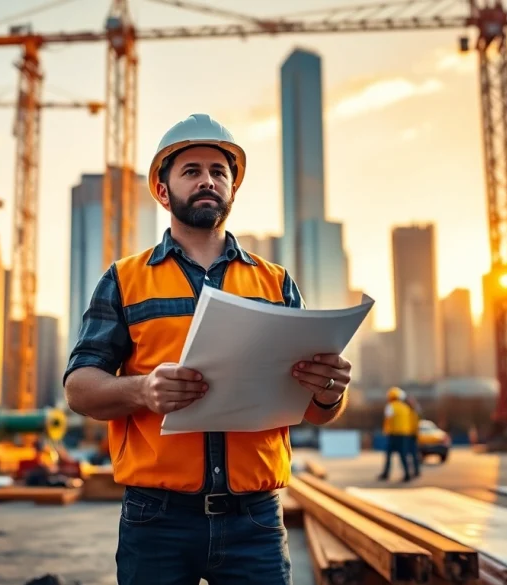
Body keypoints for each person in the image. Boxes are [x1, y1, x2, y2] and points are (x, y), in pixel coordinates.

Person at [63, 113, 353, 585]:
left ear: (233, 190)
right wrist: (143, 391)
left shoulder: (276, 283)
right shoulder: (124, 279)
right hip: (156, 520)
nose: (208, 181)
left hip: (254, 521)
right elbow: (79, 389)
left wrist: (329, 393)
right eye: (192, 171)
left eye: (219, 172)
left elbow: (317, 414)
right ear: (163, 191)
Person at [378, 387, 414, 482]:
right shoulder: (406, 407)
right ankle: (407, 474)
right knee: (403, 455)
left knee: (389, 455)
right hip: (405, 434)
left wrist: (385, 430)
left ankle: (386, 474)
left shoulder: (391, 406)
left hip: (393, 434)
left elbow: (388, 419)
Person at [406, 395, 422, 477]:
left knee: (413, 454)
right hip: (408, 434)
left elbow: (416, 424)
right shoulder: (409, 411)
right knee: (408, 455)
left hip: (412, 435)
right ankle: (409, 471)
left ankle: (416, 471)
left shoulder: (414, 411)